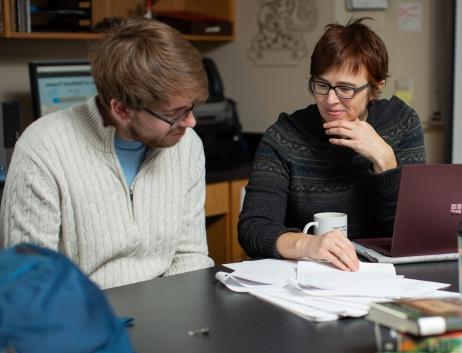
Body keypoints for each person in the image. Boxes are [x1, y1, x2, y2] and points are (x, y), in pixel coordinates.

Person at [0, 18, 214, 288]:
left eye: (191, 107)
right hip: (83, 316)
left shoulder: (187, 145)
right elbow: (29, 283)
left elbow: (190, 256)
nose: (191, 122)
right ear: (122, 109)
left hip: (169, 310)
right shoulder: (42, 149)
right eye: (175, 114)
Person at [238, 18, 426, 272]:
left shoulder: (401, 122)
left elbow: (412, 234)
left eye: (346, 89)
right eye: (321, 85)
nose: (330, 100)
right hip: (309, 274)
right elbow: (254, 227)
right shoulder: (284, 136)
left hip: (383, 276)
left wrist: (385, 160)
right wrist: (309, 244)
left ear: (376, 87)